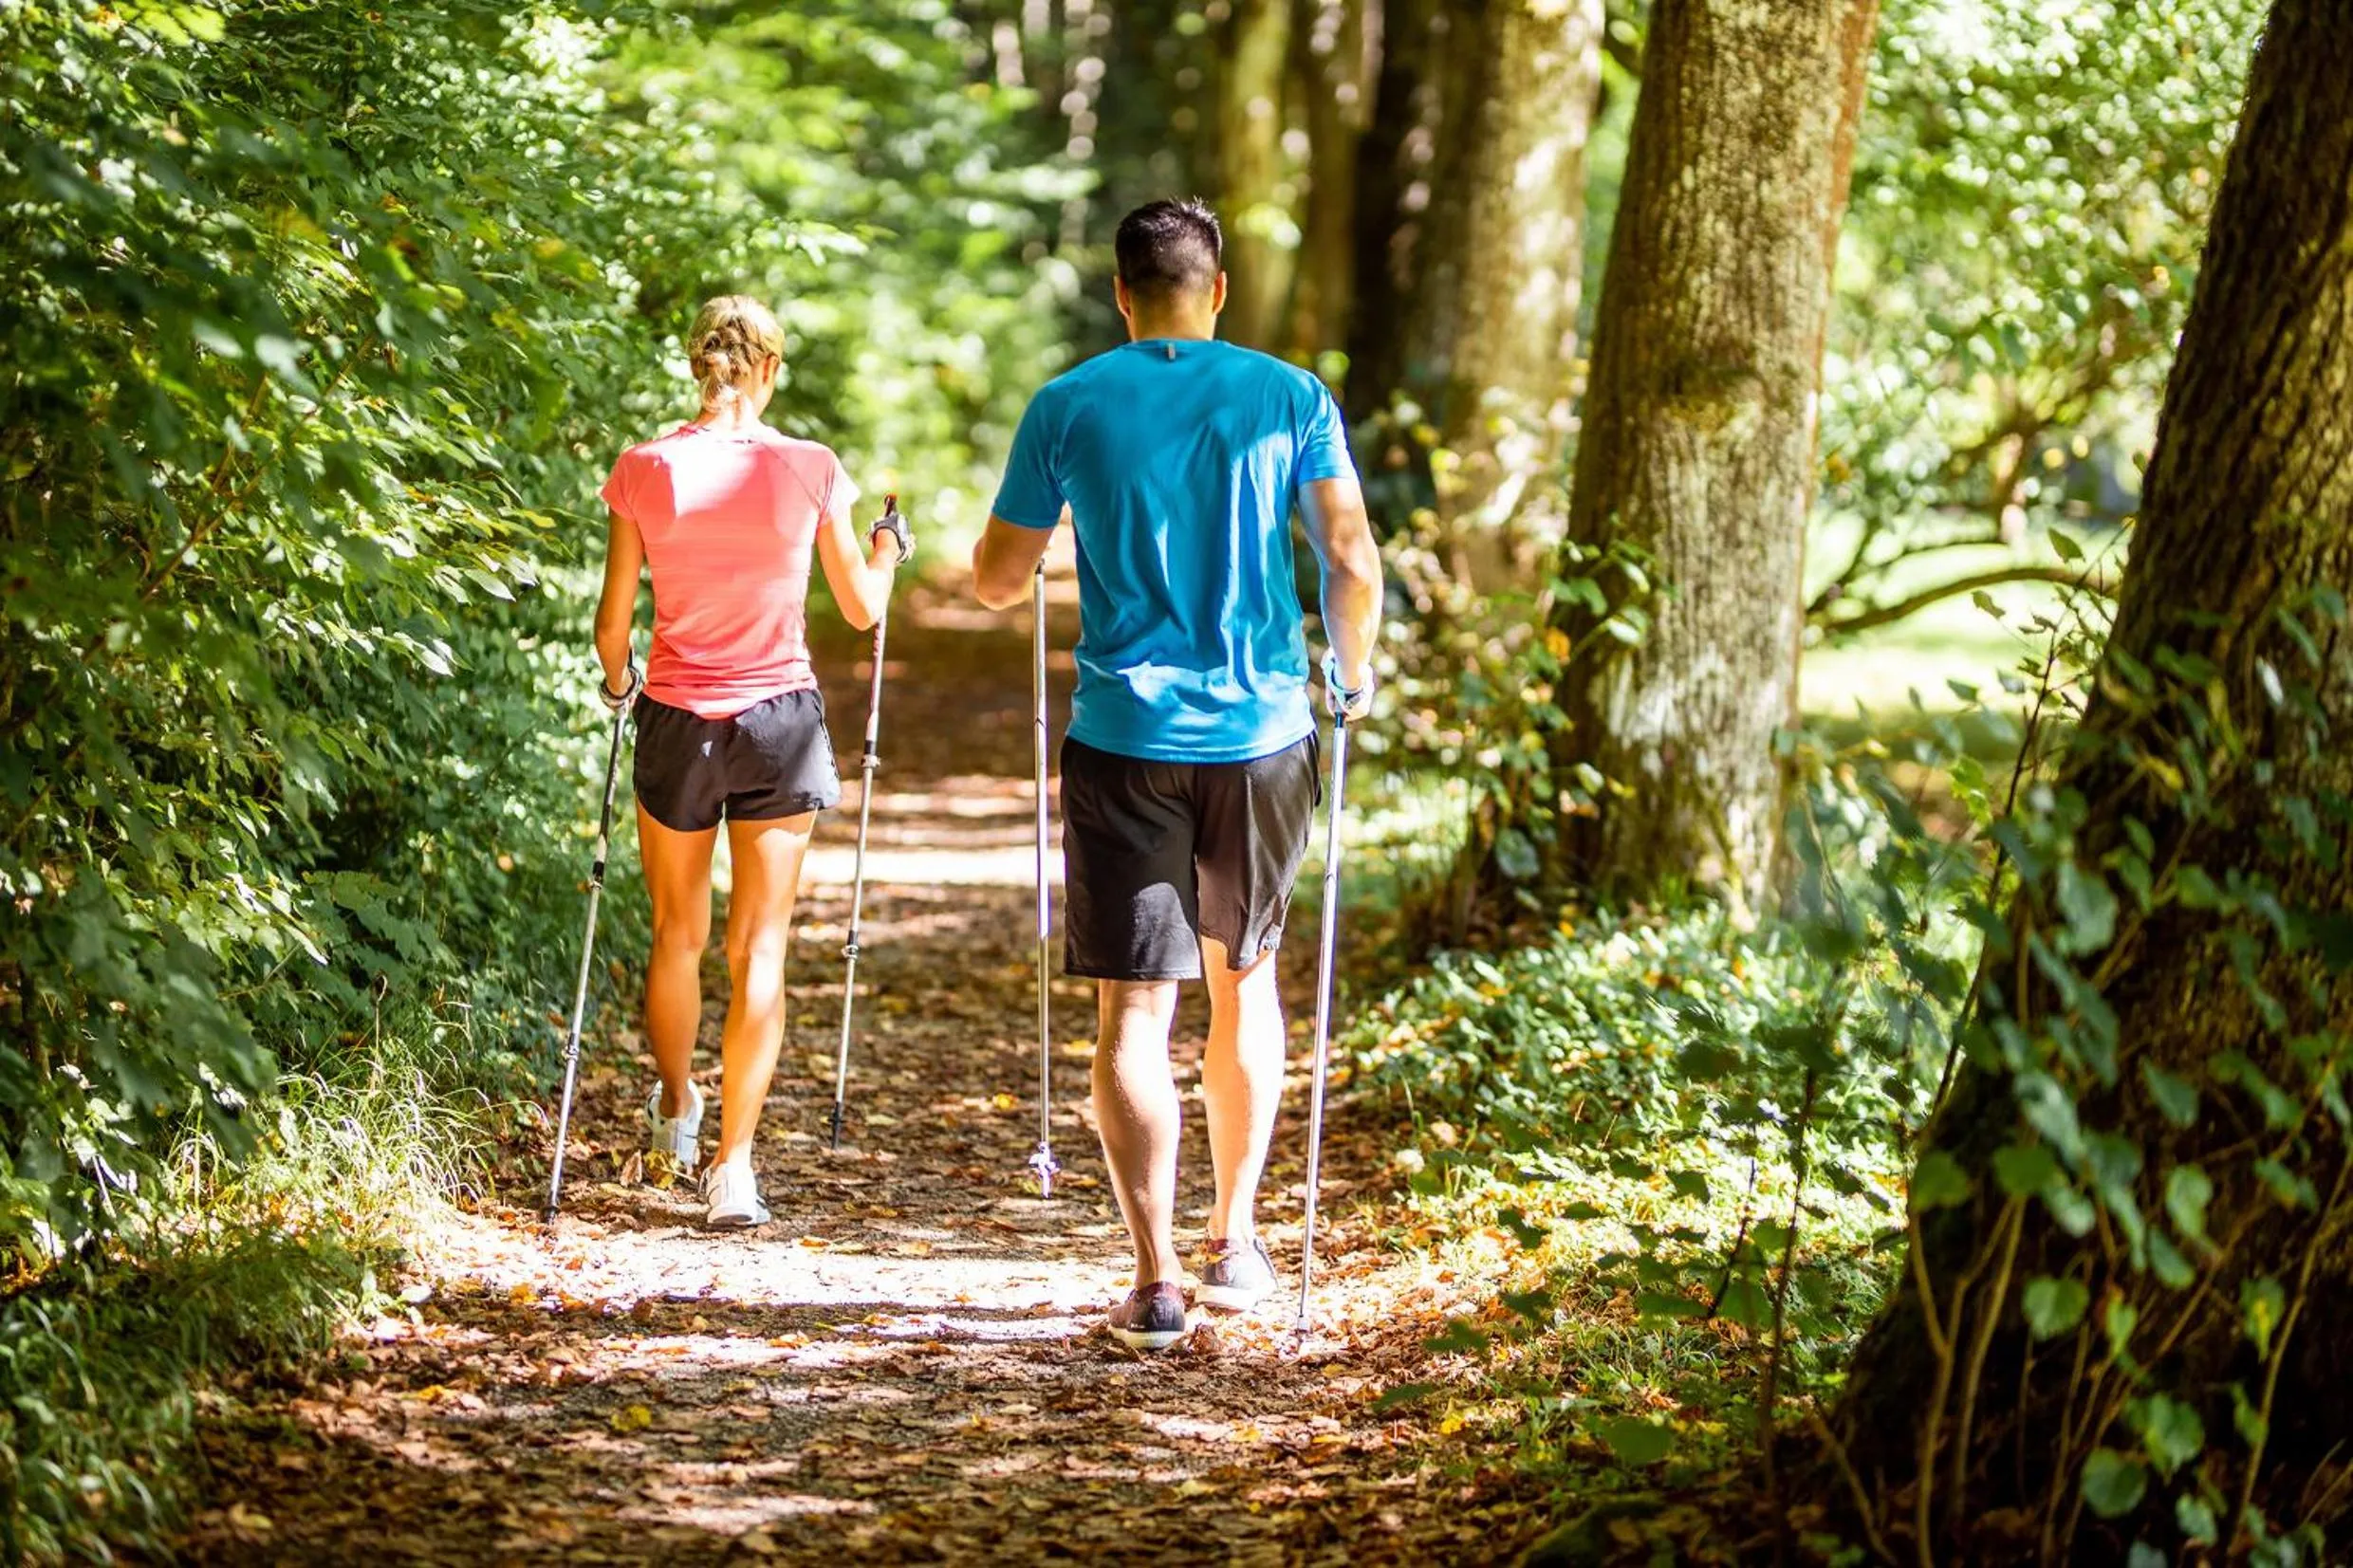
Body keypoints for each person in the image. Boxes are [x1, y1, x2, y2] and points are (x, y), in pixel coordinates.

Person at [970, 200, 1383, 1350]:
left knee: (1132, 1015)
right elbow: (1347, 559)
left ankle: (1152, 1278)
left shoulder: (1068, 404)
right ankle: (1235, 1240)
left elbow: (998, 581)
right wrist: (1352, 675)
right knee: (1243, 983)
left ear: (1119, 294)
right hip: (1260, 737)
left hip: (1121, 739)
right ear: (1216, 292)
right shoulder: (1288, 396)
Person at [594, 294, 912, 1228]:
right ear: (770, 369)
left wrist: (622, 686)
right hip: (779, 718)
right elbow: (861, 608)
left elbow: (615, 627)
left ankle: (678, 1106)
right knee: (758, 947)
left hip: (676, 719)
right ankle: (734, 1165)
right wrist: (887, 549)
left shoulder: (644, 468)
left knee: (675, 937)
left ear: (698, 366)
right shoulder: (811, 467)